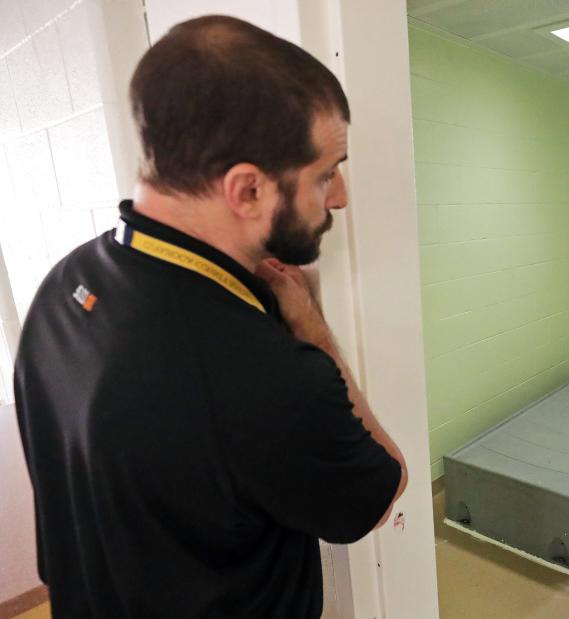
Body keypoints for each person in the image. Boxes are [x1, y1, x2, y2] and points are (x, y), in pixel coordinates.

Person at [14, 15, 407, 619]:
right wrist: (315, 332)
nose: (340, 196)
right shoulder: (267, 378)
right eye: (326, 172)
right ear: (248, 191)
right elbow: (382, 490)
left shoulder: (65, 284)